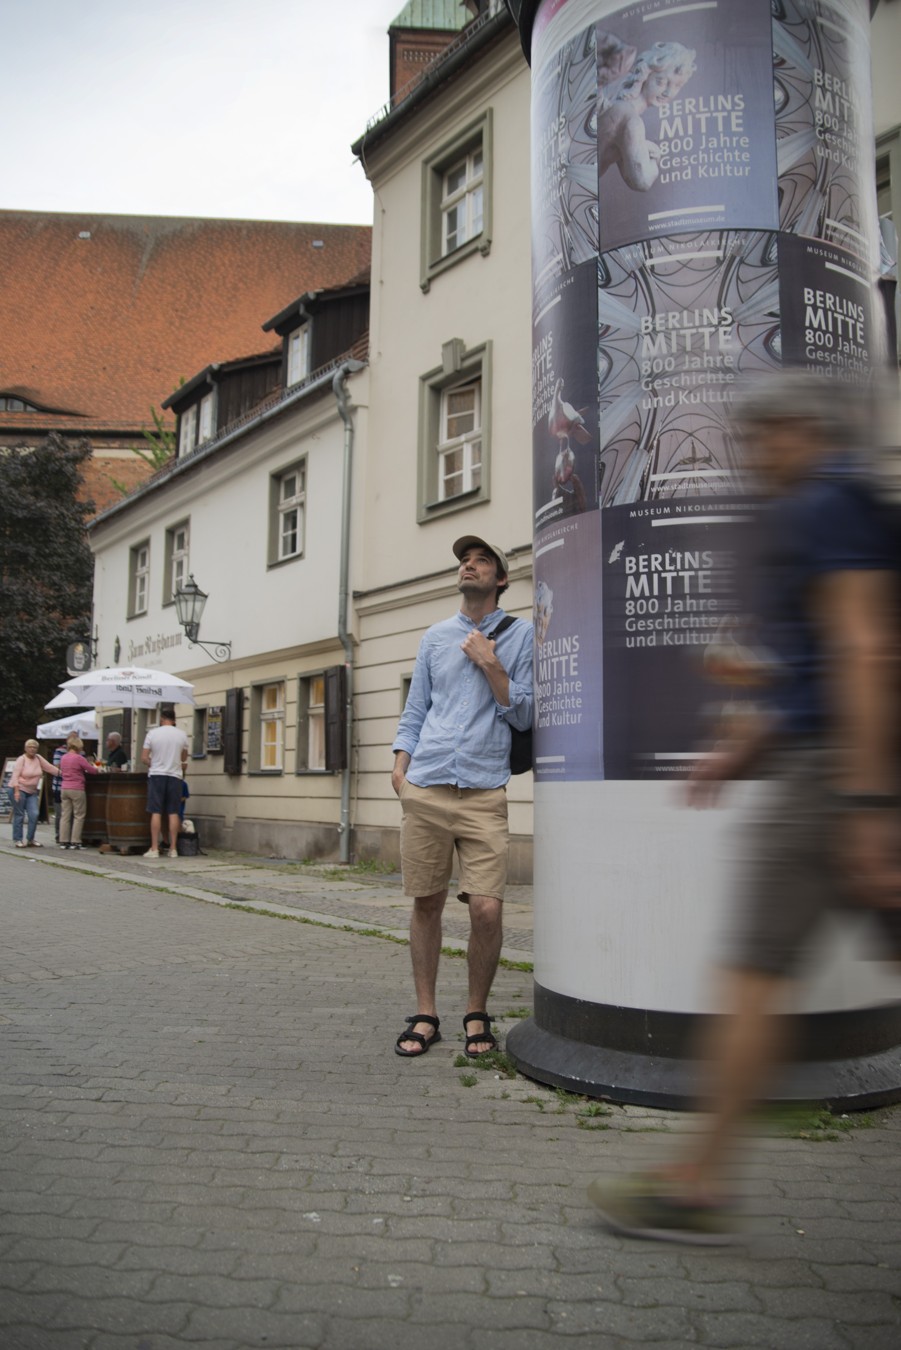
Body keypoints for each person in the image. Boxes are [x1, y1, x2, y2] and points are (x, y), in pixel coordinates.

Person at [588, 374, 901, 1243]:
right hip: (842, 765)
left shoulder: (820, 506)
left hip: (834, 780)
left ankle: (699, 1186)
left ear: (799, 432)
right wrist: (739, 749)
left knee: (749, 976)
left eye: (761, 440)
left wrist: (867, 806)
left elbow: (865, 651)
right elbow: (822, 666)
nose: (753, 458)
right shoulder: (853, 506)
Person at [391, 536, 533, 1058]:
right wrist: (401, 765)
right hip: (426, 786)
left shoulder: (522, 638)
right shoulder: (433, 637)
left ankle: (477, 1010)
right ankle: (425, 1013)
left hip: (483, 791)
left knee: (488, 911)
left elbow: (526, 715)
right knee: (426, 901)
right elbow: (416, 709)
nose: (468, 566)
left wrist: (492, 665)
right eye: (464, 561)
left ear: (500, 580)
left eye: (481, 561)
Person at [598, 41, 696, 191]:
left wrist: (644, 147)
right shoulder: (630, 119)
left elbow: (628, 175)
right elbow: (643, 181)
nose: (668, 92)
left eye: (677, 86)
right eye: (661, 81)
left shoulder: (620, 110)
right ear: (645, 75)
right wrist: (655, 156)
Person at [142, 704, 189, 859]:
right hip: (175, 775)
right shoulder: (182, 735)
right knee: (173, 812)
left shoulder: (152, 734)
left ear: (162, 719)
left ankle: (155, 848)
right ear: (174, 720)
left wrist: (152, 762)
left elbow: (144, 757)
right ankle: (173, 848)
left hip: (157, 774)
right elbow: (183, 758)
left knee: (156, 811)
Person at [10, 739, 59, 847]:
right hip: (19, 788)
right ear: (25, 748)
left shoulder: (38, 758)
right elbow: (15, 776)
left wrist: (63, 773)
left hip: (32, 791)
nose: (32, 749)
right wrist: (16, 792)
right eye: (30, 747)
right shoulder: (21, 759)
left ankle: (30, 839)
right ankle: (18, 839)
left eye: (34, 747)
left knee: (34, 814)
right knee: (20, 814)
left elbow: (49, 768)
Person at [58, 736, 99, 850]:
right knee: (78, 815)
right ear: (78, 746)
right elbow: (92, 770)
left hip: (64, 788)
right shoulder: (79, 758)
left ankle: (63, 841)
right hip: (76, 788)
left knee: (65, 815)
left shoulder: (63, 757)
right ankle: (75, 841)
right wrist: (96, 766)